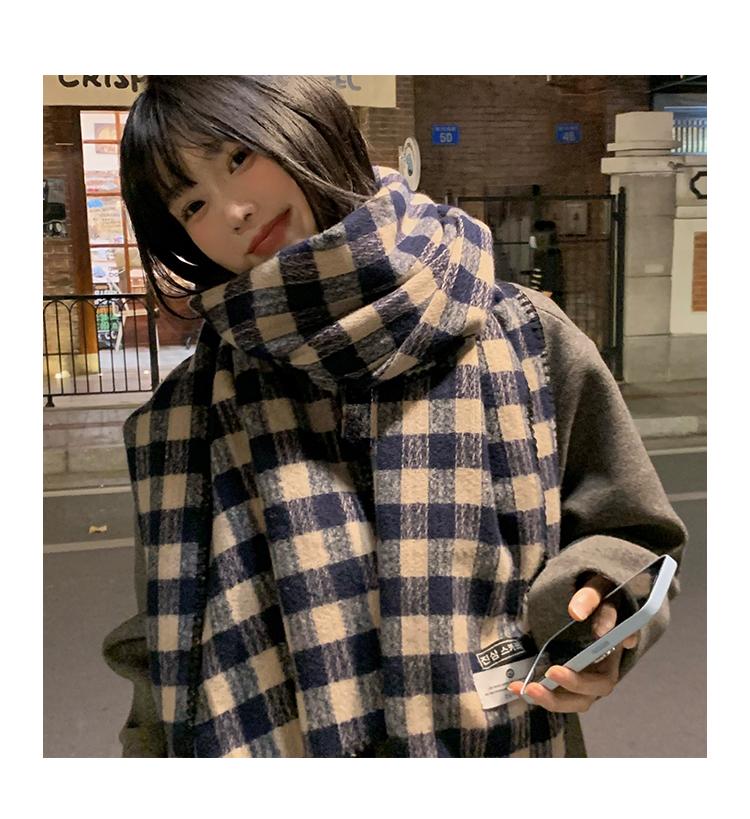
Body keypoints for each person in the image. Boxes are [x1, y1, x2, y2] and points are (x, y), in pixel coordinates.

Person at [102, 75, 687, 758]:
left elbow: (628, 530)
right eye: (193, 204)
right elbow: (163, 640)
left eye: (237, 156)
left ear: (305, 127)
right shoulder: (185, 414)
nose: (232, 210)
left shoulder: (521, 334)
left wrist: (601, 610)